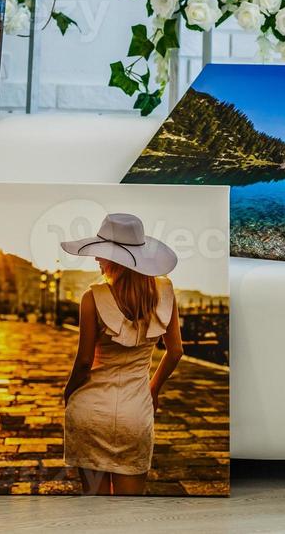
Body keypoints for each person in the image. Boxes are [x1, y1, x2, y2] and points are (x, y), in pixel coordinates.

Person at [60, 213, 184, 496]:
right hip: (135, 413)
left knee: (96, 510)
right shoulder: (164, 293)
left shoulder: (92, 298)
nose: (96, 259)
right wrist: (153, 389)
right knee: (130, 510)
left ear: (116, 260)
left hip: (90, 411)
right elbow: (175, 351)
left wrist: (68, 393)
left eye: (102, 253)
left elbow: (83, 362)